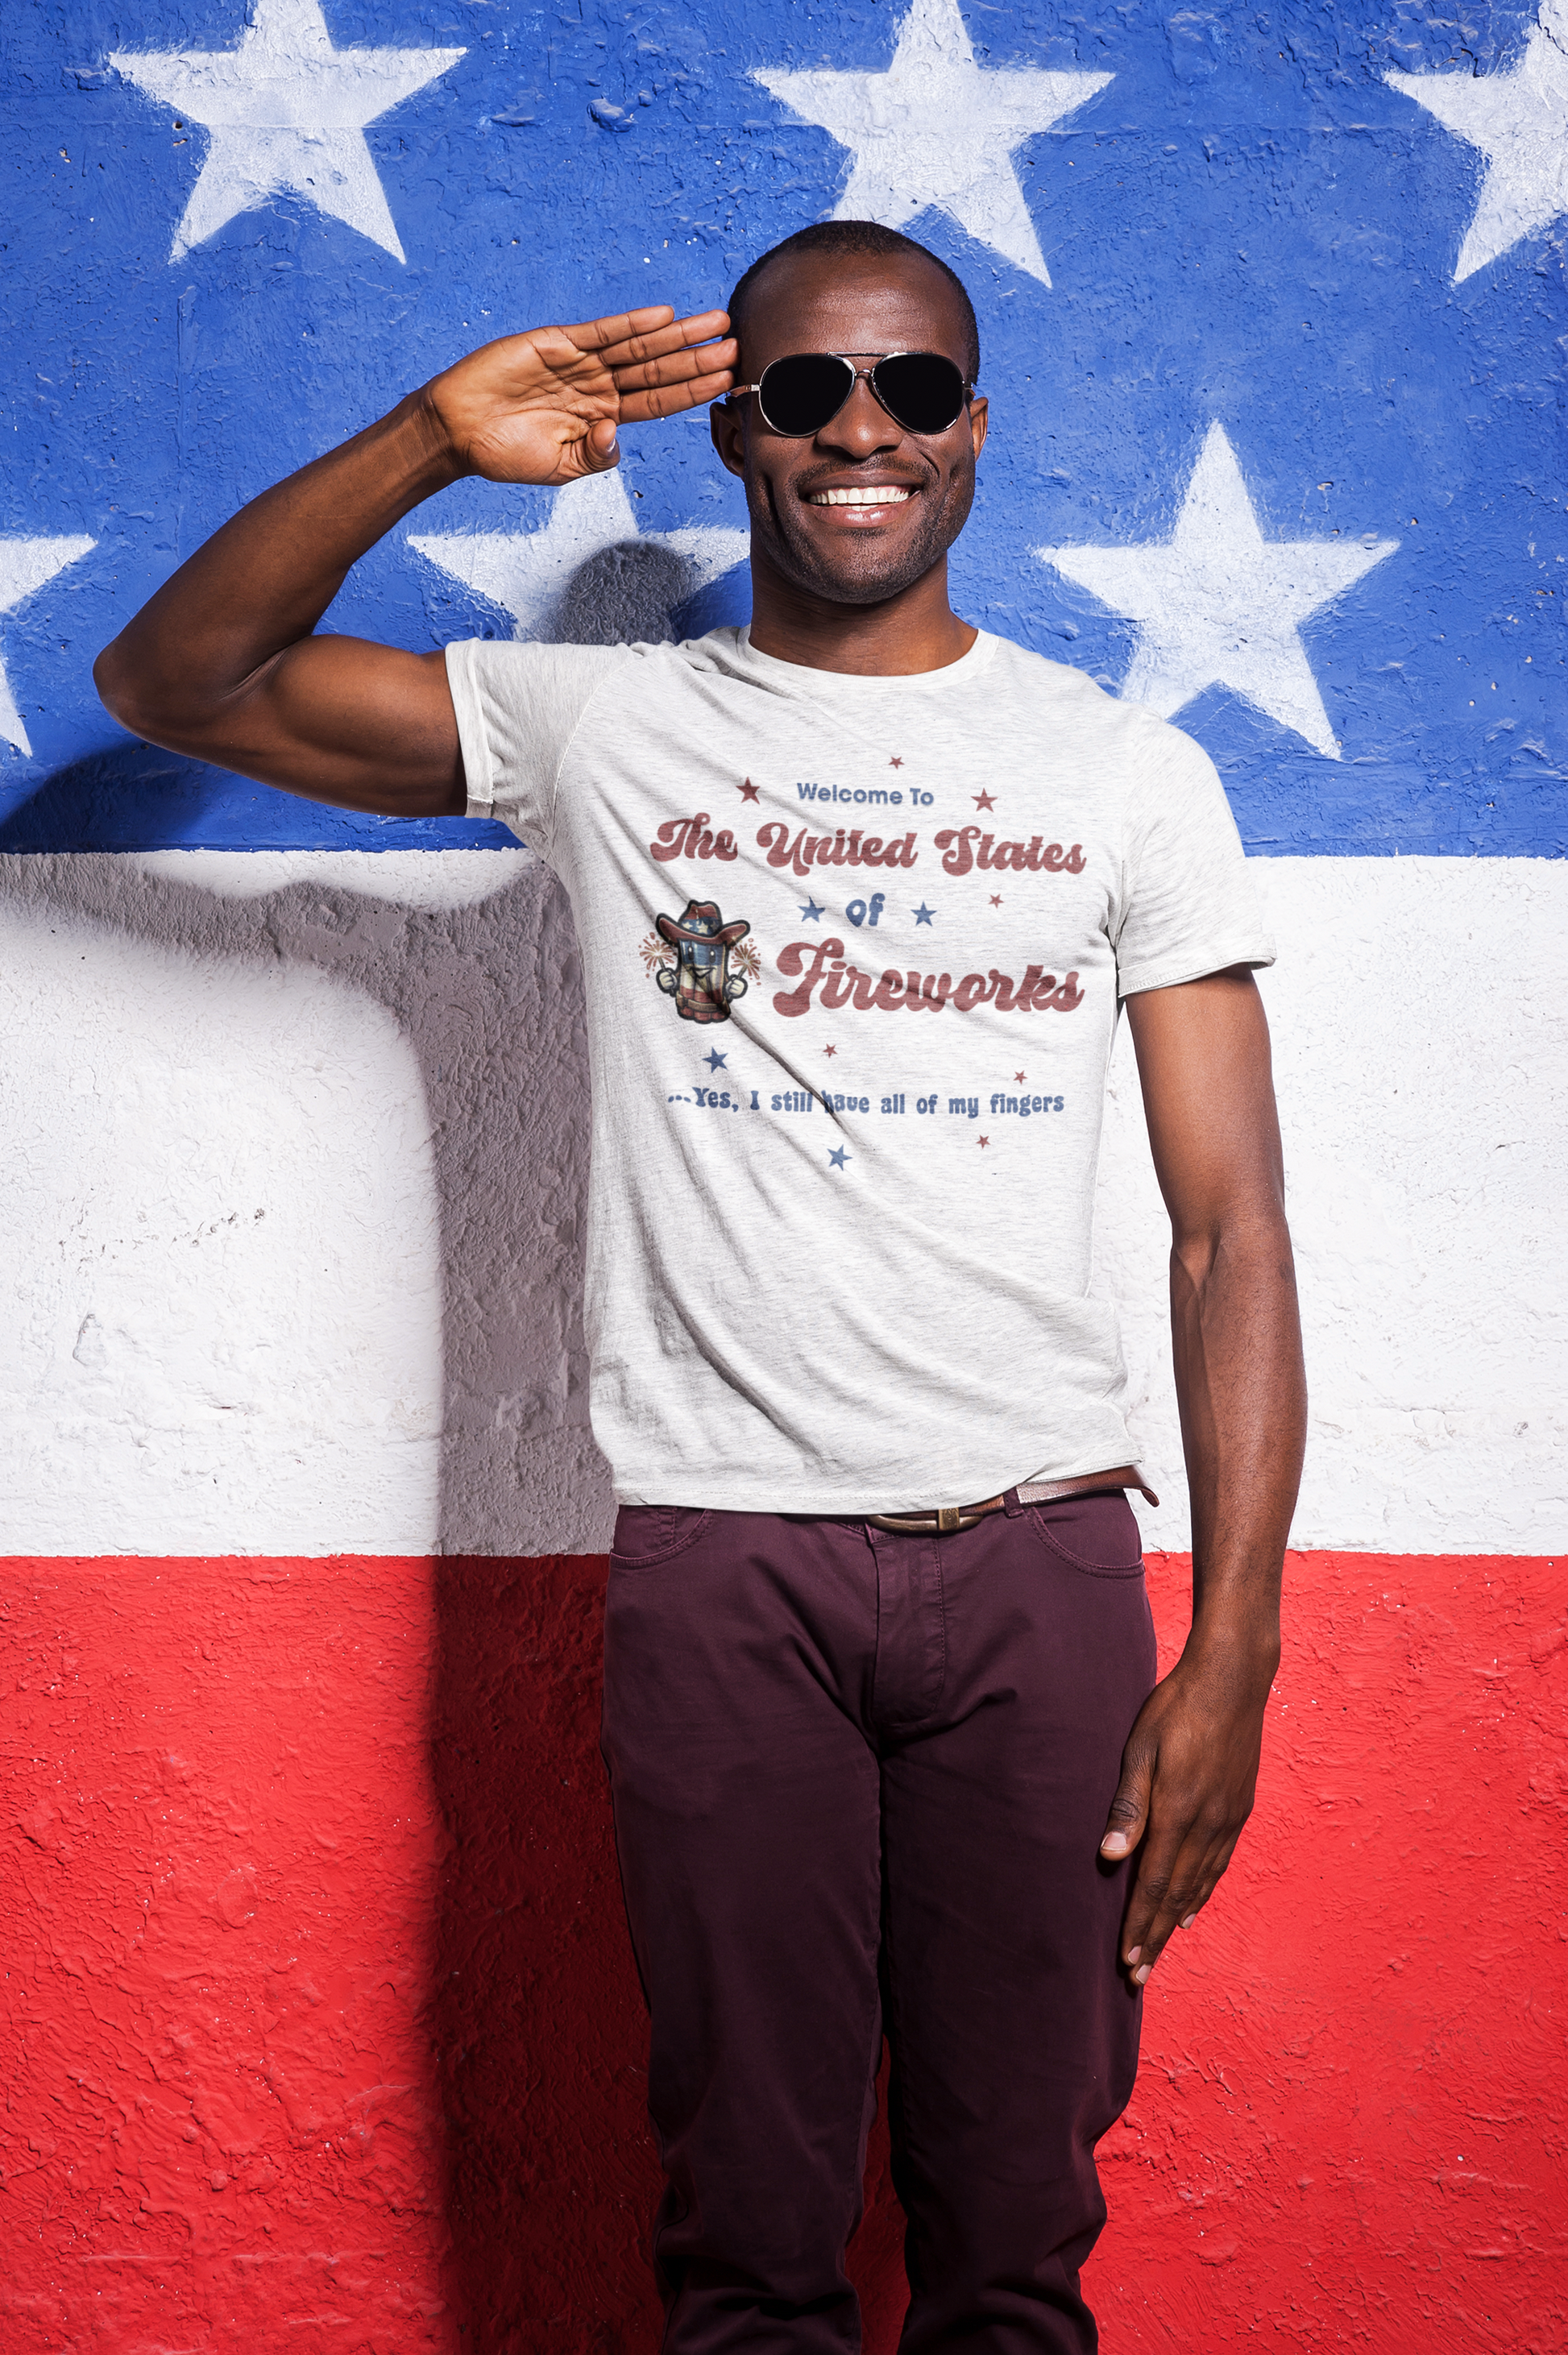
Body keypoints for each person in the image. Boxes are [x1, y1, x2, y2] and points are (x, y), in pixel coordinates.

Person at [94, 221, 1307, 2355]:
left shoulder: (1125, 770)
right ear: (738, 426)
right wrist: (421, 445)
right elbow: (169, 683)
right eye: (812, 390)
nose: (864, 431)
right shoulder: (603, 729)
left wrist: (1238, 1650)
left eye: (914, 391)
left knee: (1018, 2246)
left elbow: (1235, 1231)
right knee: (745, 2249)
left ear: (975, 431)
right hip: (723, 1566)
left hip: (1039, 1568)